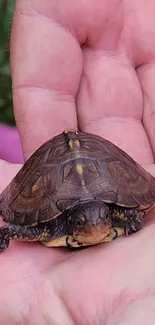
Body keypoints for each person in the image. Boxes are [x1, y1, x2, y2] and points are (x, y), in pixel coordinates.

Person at [0, 1, 155, 323]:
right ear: (73, 224)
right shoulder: (53, 224)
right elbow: (12, 228)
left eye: (98, 220)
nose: (96, 226)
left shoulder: (119, 215)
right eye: (86, 224)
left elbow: (137, 209)